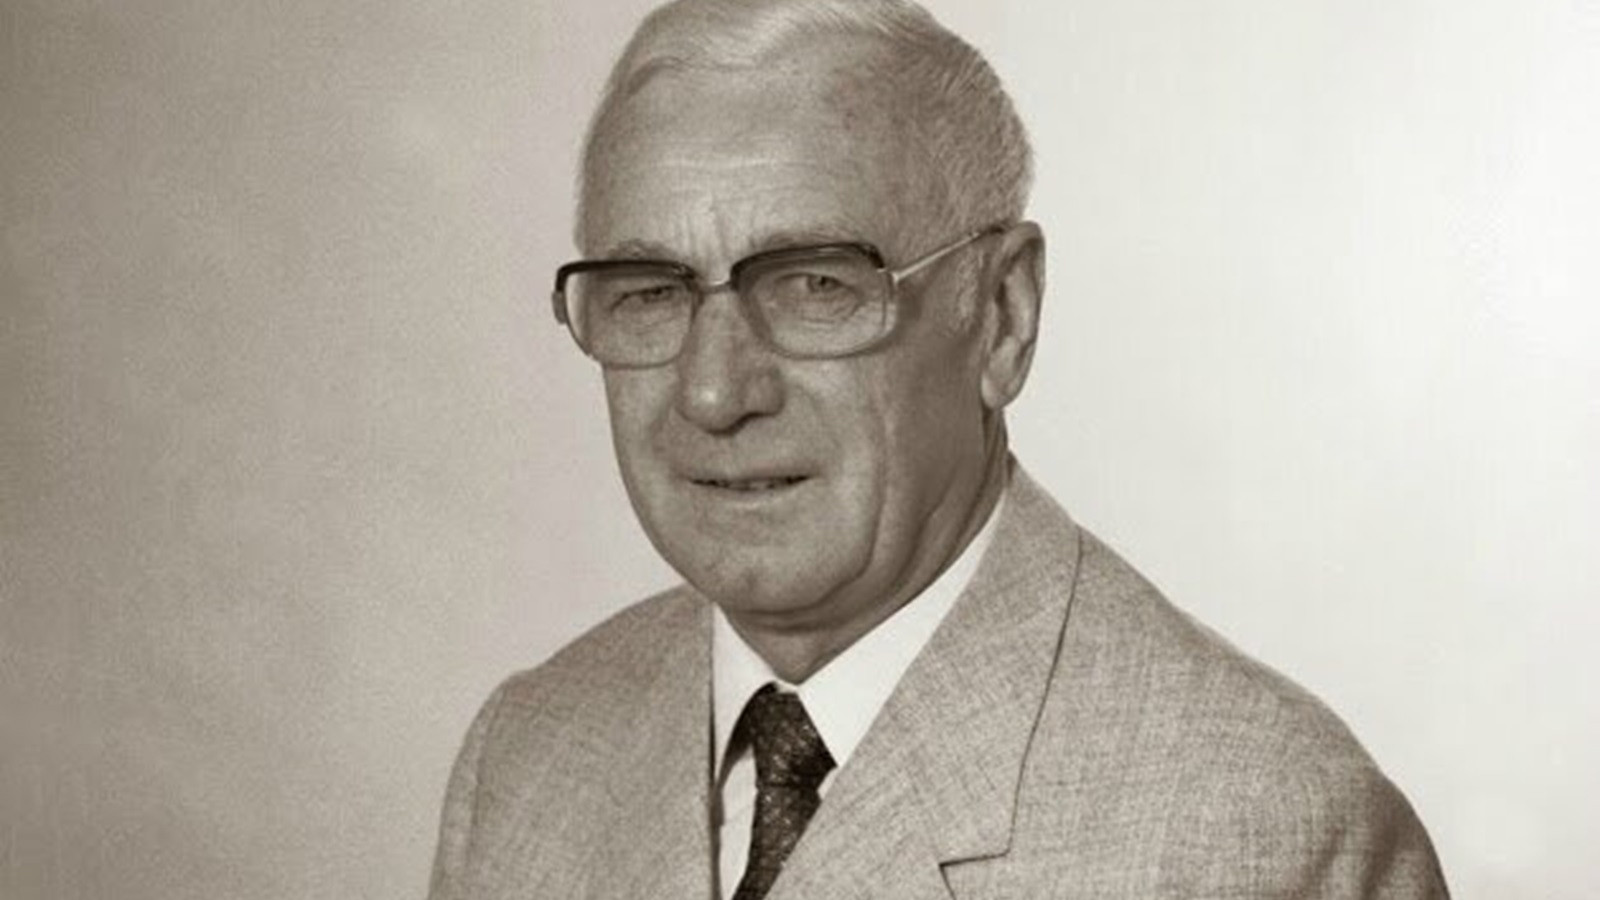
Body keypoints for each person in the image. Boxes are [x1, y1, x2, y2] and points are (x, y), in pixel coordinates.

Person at [427, 0, 1450, 897]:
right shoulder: (525, 759)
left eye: (815, 284)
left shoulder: (1260, 833)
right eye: (650, 294)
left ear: (1001, 317)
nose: (713, 391)